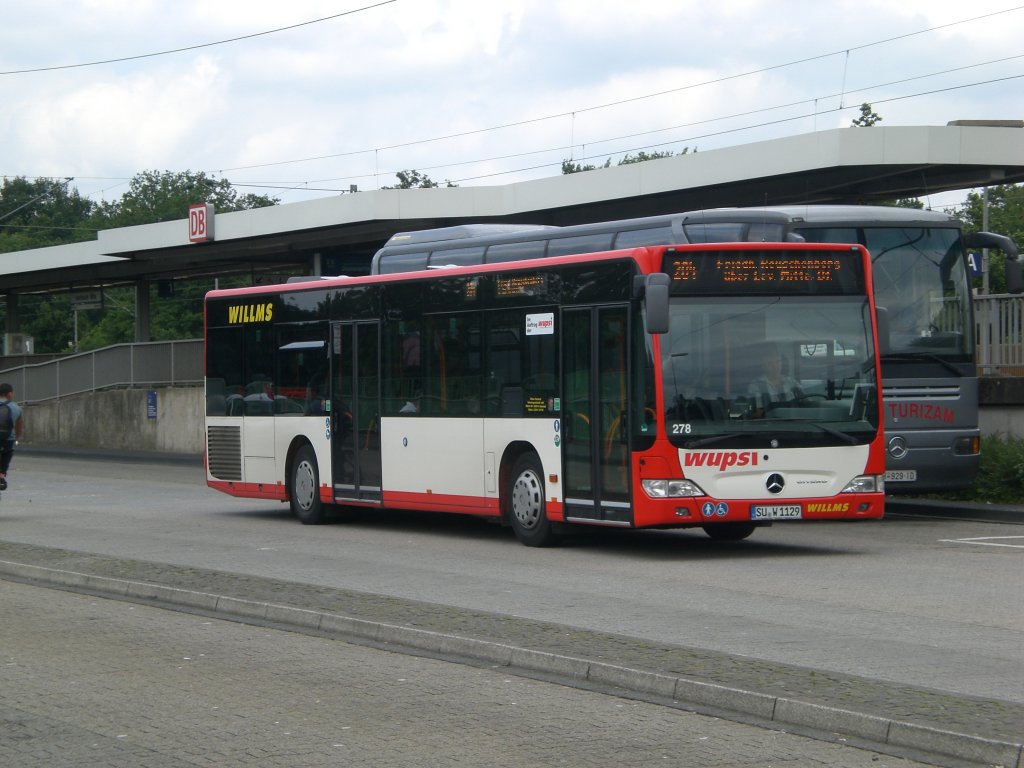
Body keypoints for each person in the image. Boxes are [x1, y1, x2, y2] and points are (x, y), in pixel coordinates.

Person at [747, 345, 803, 416]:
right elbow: (757, 413)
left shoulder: (792, 382)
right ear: (763, 367)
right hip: (769, 424)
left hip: (796, 423)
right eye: (770, 363)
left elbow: (805, 404)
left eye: (778, 361)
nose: (775, 366)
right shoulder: (756, 385)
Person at [0, 383, 25, 491]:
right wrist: (17, 439)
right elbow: (19, 428)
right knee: (7, 454)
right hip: (7, 440)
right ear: (9, 394)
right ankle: (1, 477)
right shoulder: (16, 408)